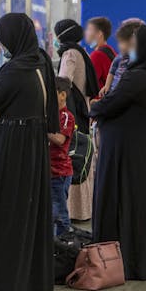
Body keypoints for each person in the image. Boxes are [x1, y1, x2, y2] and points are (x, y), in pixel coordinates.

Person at [0, 13, 59, 291]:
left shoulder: (14, 70)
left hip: (12, 145)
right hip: (33, 143)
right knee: (27, 217)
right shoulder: (40, 62)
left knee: (4, 216)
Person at [90, 25, 146, 281]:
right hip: (143, 146)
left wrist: (94, 107)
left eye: (136, 44)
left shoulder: (138, 77)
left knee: (122, 200)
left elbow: (110, 104)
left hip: (125, 148)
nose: (131, 49)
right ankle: (139, 261)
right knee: (141, 203)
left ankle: (116, 261)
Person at [55, 19, 99, 222]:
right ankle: (84, 209)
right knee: (83, 158)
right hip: (84, 111)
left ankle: (75, 211)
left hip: (74, 114)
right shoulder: (81, 52)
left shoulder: (70, 53)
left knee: (75, 158)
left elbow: (64, 82)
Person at [50, 77, 75, 236]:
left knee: (59, 213)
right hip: (50, 172)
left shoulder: (66, 117)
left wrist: (44, 129)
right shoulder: (51, 115)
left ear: (63, 95)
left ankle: (65, 243)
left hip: (60, 173)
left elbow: (59, 139)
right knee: (52, 211)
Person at [100, 18, 145, 97]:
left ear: (132, 41)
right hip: (114, 92)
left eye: (121, 42)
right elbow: (112, 70)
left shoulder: (140, 56)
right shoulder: (120, 57)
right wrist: (107, 86)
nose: (119, 46)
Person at [85, 16, 117, 90]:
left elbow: (89, 83)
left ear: (99, 34)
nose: (86, 32)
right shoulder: (111, 50)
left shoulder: (97, 55)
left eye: (89, 29)